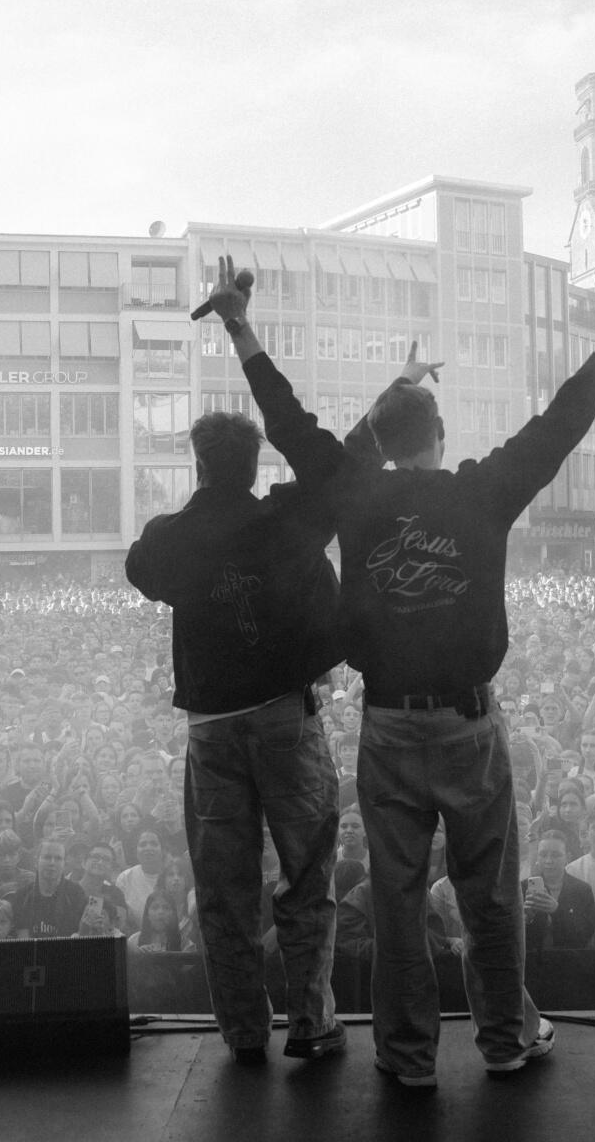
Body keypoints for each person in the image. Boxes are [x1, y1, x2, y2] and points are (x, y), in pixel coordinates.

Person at [209, 252, 595, 1084]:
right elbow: (564, 421)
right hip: (467, 725)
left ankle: (407, 1055)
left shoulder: (354, 491)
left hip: (388, 726)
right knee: (489, 897)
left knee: (395, 899)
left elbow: (286, 418)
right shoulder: (481, 492)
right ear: (441, 438)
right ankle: (503, 1041)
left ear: (382, 444)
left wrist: (241, 327)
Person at [125, 352, 432, 1067]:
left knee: (223, 888)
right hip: (284, 719)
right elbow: (344, 463)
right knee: (307, 875)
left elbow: (140, 567)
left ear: (200, 466)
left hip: (210, 730)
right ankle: (312, 1022)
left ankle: (241, 1030)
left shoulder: (170, 537)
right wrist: (399, 388)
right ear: (255, 464)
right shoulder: (285, 518)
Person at [521, 831, 595, 951]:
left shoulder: (582, 890)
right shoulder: (522, 888)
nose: (548, 860)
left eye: (555, 855)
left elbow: (585, 935)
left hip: (569, 958)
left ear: (568, 858)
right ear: (537, 857)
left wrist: (557, 911)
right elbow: (512, 937)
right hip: (532, 958)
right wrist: (527, 919)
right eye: (543, 854)